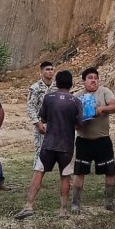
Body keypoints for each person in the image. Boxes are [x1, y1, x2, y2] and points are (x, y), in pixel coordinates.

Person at [15, 70, 81, 219]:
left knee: (39, 172)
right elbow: (79, 124)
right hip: (67, 145)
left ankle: (29, 205)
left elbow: (43, 118)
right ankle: (63, 210)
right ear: (71, 84)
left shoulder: (49, 98)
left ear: (56, 83)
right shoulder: (76, 101)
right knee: (65, 175)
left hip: (49, 143)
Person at [71, 67, 115, 213]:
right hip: (83, 140)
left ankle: (109, 201)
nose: (93, 80)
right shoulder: (77, 96)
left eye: (95, 77)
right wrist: (80, 122)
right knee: (79, 172)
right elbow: (73, 118)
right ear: (84, 81)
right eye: (90, 77)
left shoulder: (104, 91)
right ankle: (75, 203)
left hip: (102, 140)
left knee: (110, 171)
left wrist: (101, 109)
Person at [26, 61, 55, 174]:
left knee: (62, 151)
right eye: (47, 69)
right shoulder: (36, 88)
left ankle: (68, 177)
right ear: (42, 71)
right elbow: (30, 107)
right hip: (41, 124)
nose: (50, 71)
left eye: (52, 69)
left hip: (56, 124)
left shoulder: (56, 87)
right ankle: (37, 177)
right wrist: (37, 123)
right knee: (40, 151)